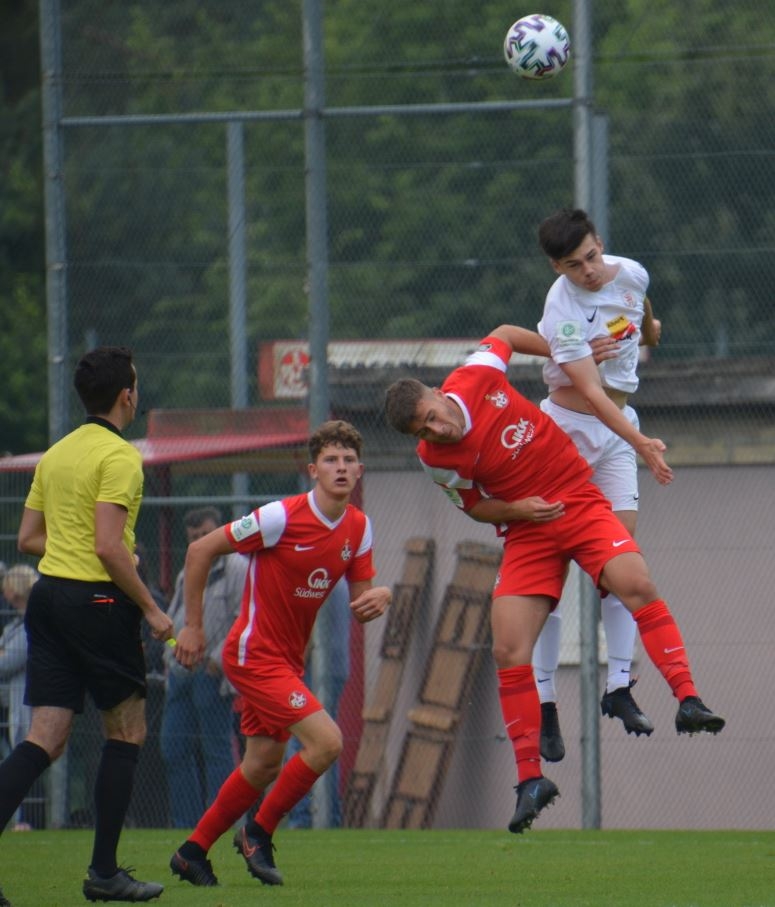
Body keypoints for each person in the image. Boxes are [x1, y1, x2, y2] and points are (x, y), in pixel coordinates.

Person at [384, 325, 725, 834]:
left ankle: (688, 700)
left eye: (432, 416)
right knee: (507, 647)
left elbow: (505, 333)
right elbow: (475, 506)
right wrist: (517, 509)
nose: (436, 430)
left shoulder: (476, 375)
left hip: (576, 499)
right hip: (528, 530)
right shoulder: (434, 460)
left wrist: (570, 352)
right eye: (424, 431)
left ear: (438, 392)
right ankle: (531, 780)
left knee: (635, 584)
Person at [168, 420, 391, 888]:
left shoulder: (359, 527)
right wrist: (193, 626)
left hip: (287, 663)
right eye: (331, 460)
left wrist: (381, 597)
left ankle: (191, 852)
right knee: (327, 742)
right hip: (253, 656)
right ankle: (258, 832)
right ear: (313, 470)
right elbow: (200, 550)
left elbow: (362, 602)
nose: (341, 467)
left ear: (360, 470)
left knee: (263, 764)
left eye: (349, 460)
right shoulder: (280, 517)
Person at [0, 345, 173, 907]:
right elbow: (106, 546)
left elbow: (29, 539)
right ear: (127, 396)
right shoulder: (120, 457)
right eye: (136, 386)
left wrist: (99, 550)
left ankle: (103, 871)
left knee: (43, 739)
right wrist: (151, 608)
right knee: (127, 731)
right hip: (97, 603)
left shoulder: (57, 454)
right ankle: (103, 872)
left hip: (48, 599)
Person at [532, 207, 665, 761]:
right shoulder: (561, 307)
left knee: (621, 561)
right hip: (568, 432)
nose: (587, 271)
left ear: (600, 242)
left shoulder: (630, 272)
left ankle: (618, 688)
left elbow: (642, 305)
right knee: (549, 572)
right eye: (573, 265)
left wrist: (650, 330)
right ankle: (545, 704)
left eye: (591, 257)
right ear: (556, 267)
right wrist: (642, 443)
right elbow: (589, 392)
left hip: (617, 429)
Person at [160, 506, 246, 828]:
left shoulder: (237, 567)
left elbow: (244, 619)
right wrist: (170, 655)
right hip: (181, 672)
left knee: (216, 749)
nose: (200, 541)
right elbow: (175, 617)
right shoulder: (188, 570)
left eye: (206, 534)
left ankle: (222, 822)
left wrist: (217, 661)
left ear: (221, 531)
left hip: (213, 673)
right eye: (194, 537)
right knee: (173, 747)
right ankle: (188, 824)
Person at [285, 577, 351, 829]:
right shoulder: (335, 577)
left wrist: (292, 667)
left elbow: (309, 632)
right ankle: (325, 816)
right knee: (323, 743)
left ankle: (304, 818)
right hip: (328, 670)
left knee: (303, 743)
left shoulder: (321, 577)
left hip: (317, 672)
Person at [0, 565, 39, 830]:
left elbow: (7, 661)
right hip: (14, 701)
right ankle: (20, 818)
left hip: (27, 702)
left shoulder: (30, 625)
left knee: (25, 755)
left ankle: (27, 819)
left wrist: (3, 653)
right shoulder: (16, 624)